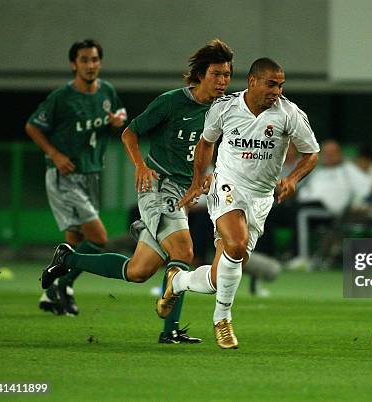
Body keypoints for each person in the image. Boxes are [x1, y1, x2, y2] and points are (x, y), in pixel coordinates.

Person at [40, 39, 234, 344]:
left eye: (227, 75)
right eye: (216, 74)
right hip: (158, 186)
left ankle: (68, 259)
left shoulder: (224, 109)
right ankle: (169, 329)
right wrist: (141, 166)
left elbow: (209, 149)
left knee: (138, 271)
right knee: (183, 251)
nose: (223, 81)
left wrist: (207, 175)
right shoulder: (172, 102)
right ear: (200, 74)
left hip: (181, 192)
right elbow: (129, 132)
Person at [164, 57, 320, 349]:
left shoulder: (289, 114)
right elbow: (206, 143)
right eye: (271, 84)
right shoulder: (225, 108)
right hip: (227, 185)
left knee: (219, 275)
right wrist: (199, 180)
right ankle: (222, 320)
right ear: (253, 81)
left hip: (261, 198)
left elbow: (311, 153)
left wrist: (293, 179)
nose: (277, 90)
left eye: (281, 85)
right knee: (236, 244)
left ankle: (179, 281)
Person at [26, 39, 126, 316]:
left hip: (91, 173)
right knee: (99, 238)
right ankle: (63, 285)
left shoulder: (106, 91)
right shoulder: (62, 97)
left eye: (94, 59)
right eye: (84, 60)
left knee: (72, 241)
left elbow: (119, 113)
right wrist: (55, 155)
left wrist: (117, 120)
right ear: (74, 64)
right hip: (65, 176)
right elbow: (33, 126)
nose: (90, 65)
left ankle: (52, 292)